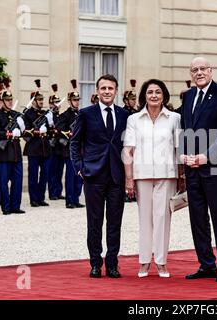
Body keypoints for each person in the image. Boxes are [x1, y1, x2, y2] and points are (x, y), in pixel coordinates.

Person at [179, 57, 217, 282]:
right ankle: (206, 264)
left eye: (203, 69)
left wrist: (206, 156)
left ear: (211, 71)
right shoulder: (188, 96)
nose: (199, 72)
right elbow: (186, 129)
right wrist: (184, 157)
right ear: (191, 74)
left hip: (215, 167)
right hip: (192, 168)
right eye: (195, 70)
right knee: (198, 218)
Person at [70, 74, 129, 279]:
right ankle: (95, 263)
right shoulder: (86, 114)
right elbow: (75, 143)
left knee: (115, 222)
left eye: (110, 88)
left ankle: (112, 264)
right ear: (97, 91)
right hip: (93, 175)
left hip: (116, 175)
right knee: (94, 222)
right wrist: (79, 166)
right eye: (103, 88)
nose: (106, 92)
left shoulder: (124, 115)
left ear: (115, 91)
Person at [123, 79, 182, 278]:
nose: (154, 95)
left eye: (158, 92)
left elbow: (179, 148)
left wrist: (181, 175)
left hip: (167, 174)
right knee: (145, 219)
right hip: (142, 175)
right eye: (150, 92)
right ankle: (144, 261)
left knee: (163, 218)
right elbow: (128, 150)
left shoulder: (175, 118)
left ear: (164, 95)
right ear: (144, 96)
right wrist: (129, 179)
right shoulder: (134, 119)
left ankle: (162, 262)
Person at [0, 87, 25, 215]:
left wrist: (22, 128)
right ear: (1, 102)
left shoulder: (16, 115)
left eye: (10, 99)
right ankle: (6, 207)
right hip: (3, 154)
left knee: (17, 181)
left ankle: (15, 206)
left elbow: (24, 131)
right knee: (3, 182)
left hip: (15, 152)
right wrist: (8, 134)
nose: (9, 102)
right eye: (6, 100)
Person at [23, 79, 53, 207]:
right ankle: (33, 199)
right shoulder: (27, 114)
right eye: (39, 100)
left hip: (45, 147)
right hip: (33, 148)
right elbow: (25, 133)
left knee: (45, 175)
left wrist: (51, 125)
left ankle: (41, 197)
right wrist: (36, 131)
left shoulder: (45, 114)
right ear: (33, 101)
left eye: (42, 100)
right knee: (33, 175)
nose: (41, 102)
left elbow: (51, 131)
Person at [57, 80, 84, 209]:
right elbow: (60, 129)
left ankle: (76, 198)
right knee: (70, 176)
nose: (77, 102)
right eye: (74, 100)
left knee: (79, 175)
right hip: (70, 149)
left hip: (80, 150)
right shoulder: (65, 115)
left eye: (78, 99)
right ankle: (69, 200)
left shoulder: (81, 114)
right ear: (69, 101)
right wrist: (69, 133)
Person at [47, 84, 65, 201]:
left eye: (58, 102)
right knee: (52, 171)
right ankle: (52, 192)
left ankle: (58, 191)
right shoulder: (48, 115)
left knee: (59, 171)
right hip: (51, 146)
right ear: (50, 104)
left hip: (60, 146)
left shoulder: (61, 115)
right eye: (55, 102)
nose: (57, 104)